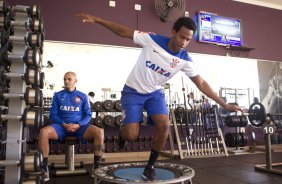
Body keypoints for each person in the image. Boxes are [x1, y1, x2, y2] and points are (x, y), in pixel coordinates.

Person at [76, 13, 242, 181]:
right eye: (181, 37)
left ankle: (150, 166)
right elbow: (124, 32)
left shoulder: (185, 59)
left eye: (188, 39)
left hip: (155, 94)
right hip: (133, 91)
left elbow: (201, 83)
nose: (183, 42)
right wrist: (99, 19)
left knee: (164, 124)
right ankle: (123, 133)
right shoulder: (152, 40)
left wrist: (224, 104)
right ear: (173, 32)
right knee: (131, 135)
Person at [38, 72, 104, 181]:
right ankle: (44, 167)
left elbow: (88, 115)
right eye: (65, 79)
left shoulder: (83, 96)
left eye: (69, 79)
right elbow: (52, 115)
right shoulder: (58, 95)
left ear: (75, 81)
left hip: (79, 127)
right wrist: (63, 124)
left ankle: (97, 165)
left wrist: (79, 125)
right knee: (43, 132)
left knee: (99, 132)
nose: (66, 81)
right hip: (61, 126)